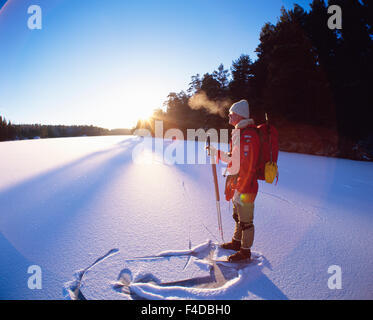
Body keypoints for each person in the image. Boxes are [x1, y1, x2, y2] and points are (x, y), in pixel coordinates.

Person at [207, 100, 260, 262]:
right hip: (239, 183)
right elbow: (234, 158)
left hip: (246, 185)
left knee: (246, 220)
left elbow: (244, 162)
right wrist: (215, 152)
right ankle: (237, 243)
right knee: (238, 216)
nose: (229, 116)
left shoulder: (248, 135)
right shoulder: (240, 133)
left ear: (239, 115)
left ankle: (245, 252)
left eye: (231, 113)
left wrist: (241, 183)